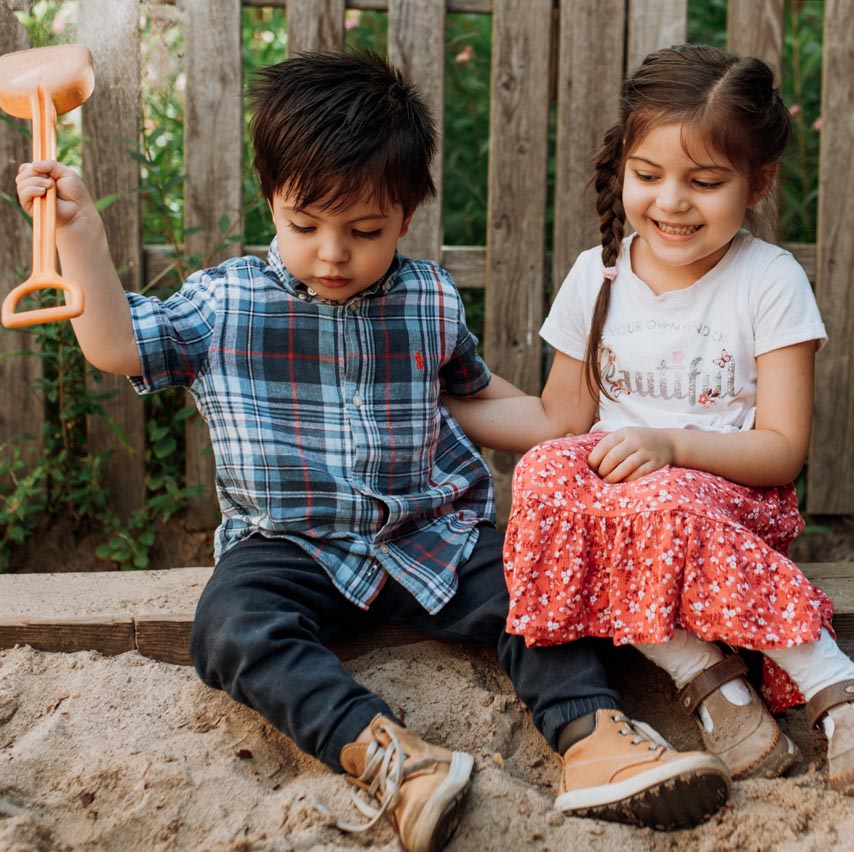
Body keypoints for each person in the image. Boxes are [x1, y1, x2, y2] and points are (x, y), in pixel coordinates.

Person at [15, 50, 732, 849]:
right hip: (288, 544)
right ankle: (389, 755)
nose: (333, 253)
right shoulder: (226, 304)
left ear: (406, 213)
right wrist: (78, 235)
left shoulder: (426, 298)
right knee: (229, 627)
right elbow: (117, 345)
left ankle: (595, 740)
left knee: (540, 581)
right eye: (305, 226)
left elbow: (475, 396)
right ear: (271, 199)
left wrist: (570, 425)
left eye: (364, 231)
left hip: (432, 534)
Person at [446, 43, 854, 797]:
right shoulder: (596, 274)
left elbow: (781, 451)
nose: (672, 202)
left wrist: (670, 445)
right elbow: (558, 418)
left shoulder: (769, 280)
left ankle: (832, 684)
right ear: (622, 169)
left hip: (729, 503)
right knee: (543, 478)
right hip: (623, 508)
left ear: (758, 182)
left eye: (705, 182)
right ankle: (709, 679)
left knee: (653, 501)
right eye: (648, 175)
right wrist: (442, 402)